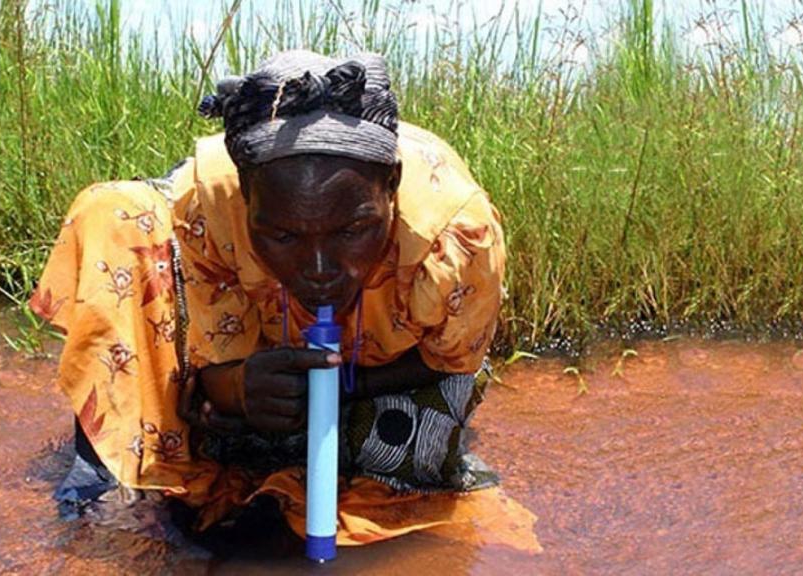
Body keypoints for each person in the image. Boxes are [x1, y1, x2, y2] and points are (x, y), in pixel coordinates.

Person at [30, 50, 539, 553]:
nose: (319, 269)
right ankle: (117, 488)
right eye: (282, 236)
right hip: (262, 358)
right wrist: (238, 388)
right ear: (245, 200)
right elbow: (214, 365)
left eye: (352, 231)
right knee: (114, 214)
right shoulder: (209, 208)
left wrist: (340, 384)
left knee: (405, 458)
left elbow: (447, 361)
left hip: (387, 375)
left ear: (392, 187)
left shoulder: (457, 236)